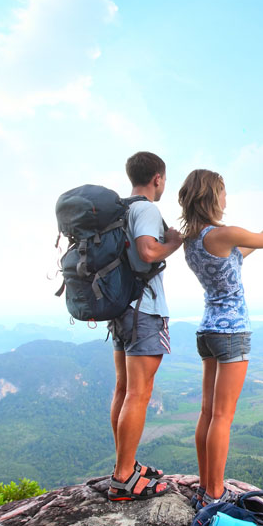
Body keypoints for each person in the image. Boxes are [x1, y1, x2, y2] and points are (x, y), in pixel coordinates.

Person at [178, 169, 263, 507]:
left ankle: (206, 487)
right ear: (210, 196)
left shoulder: (193, 239)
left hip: (207, 331)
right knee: (222, 416)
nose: (226, 198)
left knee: (207, 412)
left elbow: (238, 256)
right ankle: (216, 493)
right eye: (222, 192)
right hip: (232, 332)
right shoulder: (223, 233)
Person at [107, 151, 184, 501]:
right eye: (163, 180)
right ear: (158, 178)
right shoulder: (146, 209)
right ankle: (124, 477)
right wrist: (174, 243)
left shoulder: (120, 208)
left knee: (124, 390)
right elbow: (149, 251)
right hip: (144, 310)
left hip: (121, 308)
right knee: (139, 393)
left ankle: (127, 464)